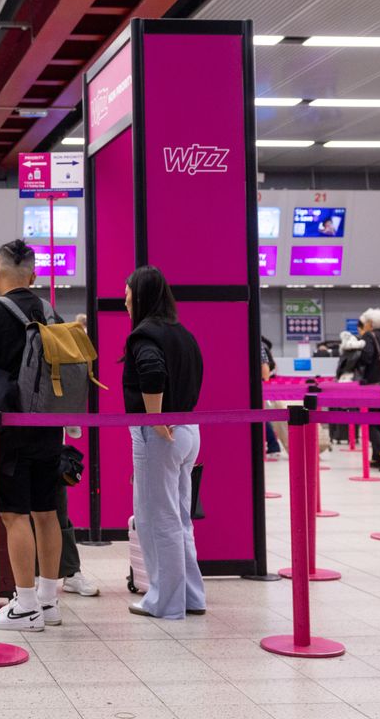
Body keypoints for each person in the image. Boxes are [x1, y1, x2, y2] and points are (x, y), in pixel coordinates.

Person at [0, 240, 64, 632]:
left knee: (13, 513)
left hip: (6, 428)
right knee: (46, 511)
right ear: (35, 275)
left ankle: (24, 606)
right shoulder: (49, 311)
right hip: (48, 425)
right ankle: (48, 601)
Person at [123, 265, 205, 620]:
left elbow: (153, 372)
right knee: (180, 517)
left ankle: (164, 601)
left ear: (140, 295)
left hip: (161, 435)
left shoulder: (144, 335)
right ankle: (191, 596)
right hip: (188, 429)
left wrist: (155, 418)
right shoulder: (182, 332)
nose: (124, 299)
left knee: (158, 518)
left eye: (127, 292)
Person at [359, 308, 380, 471]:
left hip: (373, 384)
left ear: (370, 323)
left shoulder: (369, 336)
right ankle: (376, 458)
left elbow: (366, 357)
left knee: (367, 420)